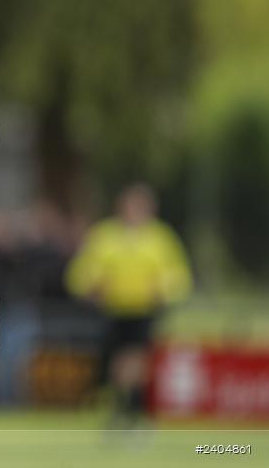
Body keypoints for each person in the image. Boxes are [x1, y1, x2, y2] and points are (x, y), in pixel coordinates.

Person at [65, 183, 192, 427]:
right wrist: (91, 286)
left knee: (135, 360)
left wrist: (164, 290)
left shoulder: (160, 238)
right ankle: (124, 406)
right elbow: (82, 271)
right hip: (113, 309)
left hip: (144, 309)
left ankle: (131, 407)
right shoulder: (105, 235)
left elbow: (177, 274)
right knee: (118, 362)